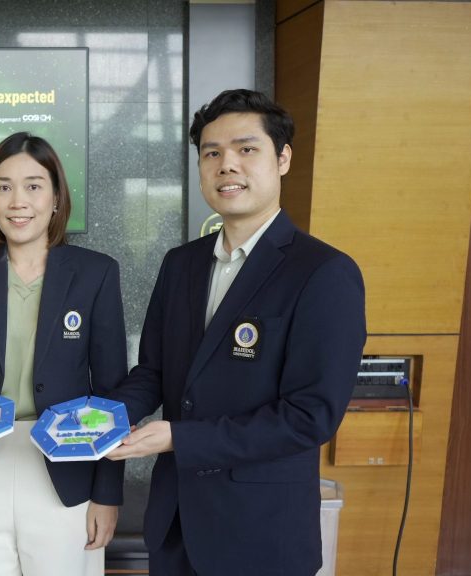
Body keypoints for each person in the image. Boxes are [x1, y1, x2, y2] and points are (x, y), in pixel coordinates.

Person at [106, 89, 367, 575]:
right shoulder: (180, 264)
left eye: (246, 149)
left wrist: (181, 438)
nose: (226, 165)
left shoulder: (323, 272)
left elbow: (309, 416)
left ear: (282, 159)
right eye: (211, 153)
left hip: (260, 534)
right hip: (176, 524)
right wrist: (103, 415)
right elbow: (154, 372)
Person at [0, 132, 128, 576]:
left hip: (66, 468)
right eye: (3, 187)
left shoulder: (96, 272)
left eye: (33, 186)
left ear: (56, 198)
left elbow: (112, 392)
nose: (17, 201)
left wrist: (107, 493)